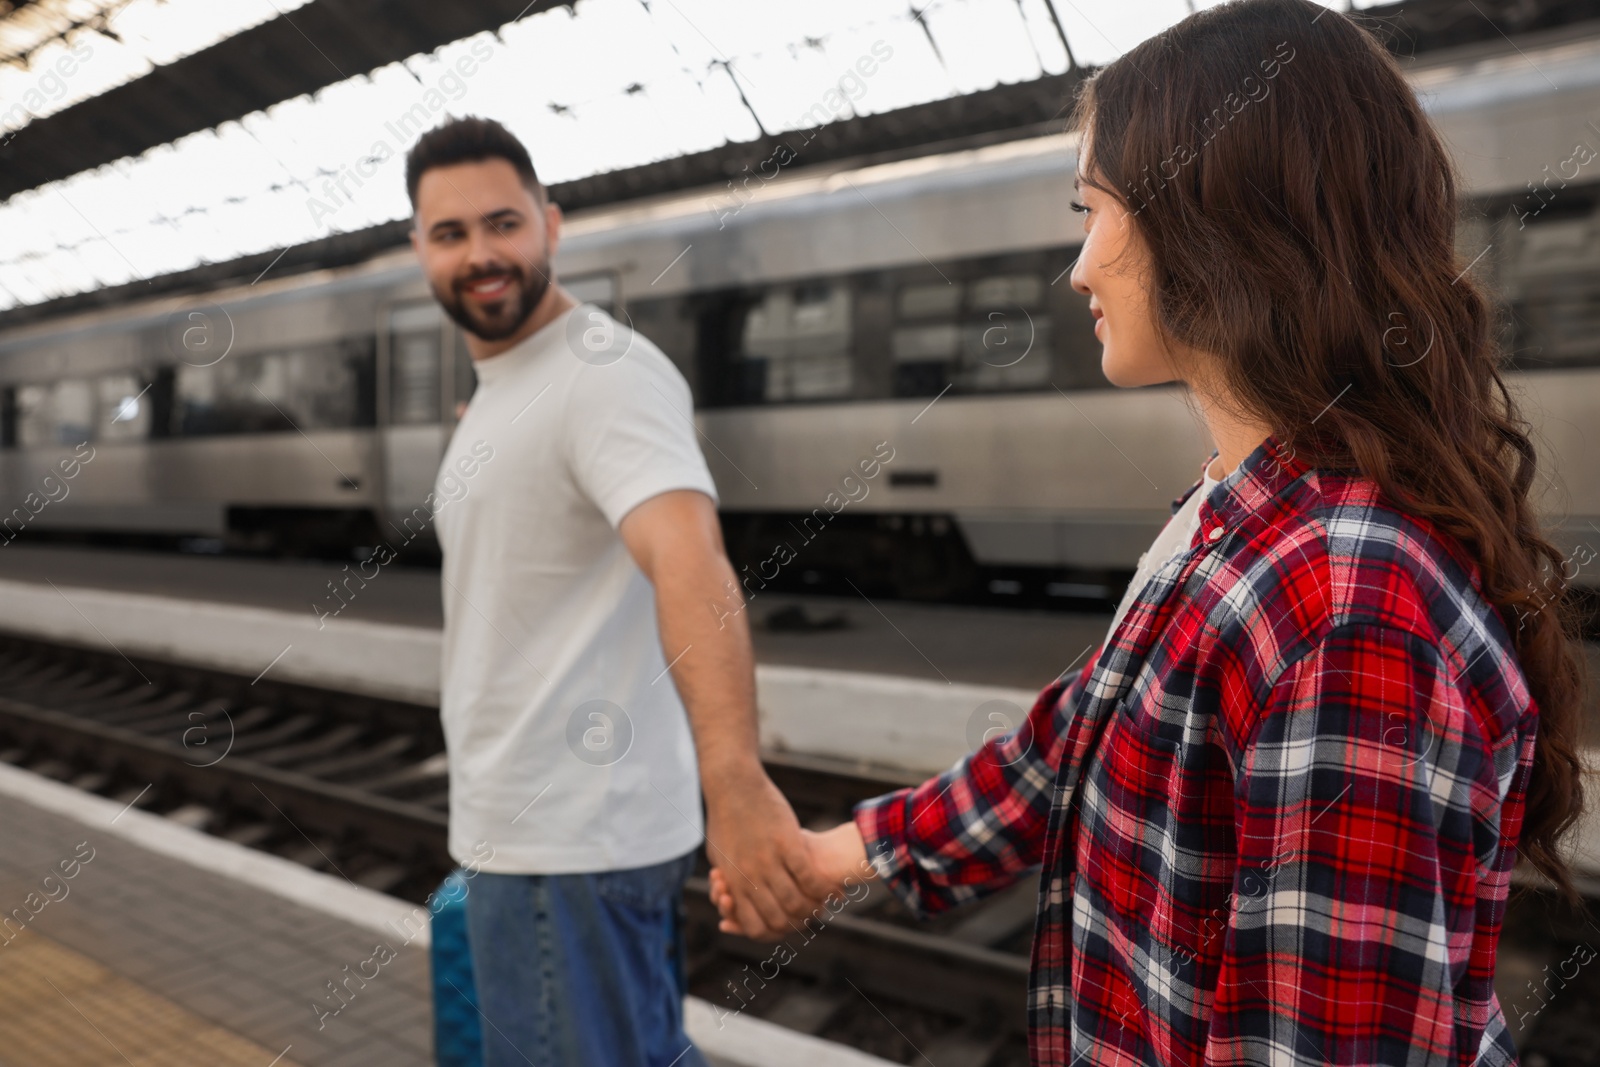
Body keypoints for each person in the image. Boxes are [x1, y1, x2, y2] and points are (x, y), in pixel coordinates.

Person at [712, 2, 1588, 1064]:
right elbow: (1070, 746)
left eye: (1095, 210)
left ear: (1212, 220)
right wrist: (832, 855)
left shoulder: (1342, 606)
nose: (1077, 269)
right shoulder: (1233, 515)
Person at [404, 116, 814, 1066]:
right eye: (450, 233)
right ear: (418, 248)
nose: (480, 254)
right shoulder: (505, 386)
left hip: (572, 844)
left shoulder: (604, 375)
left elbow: (691, 563)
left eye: (503, 224)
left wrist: (736, 783)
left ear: (552, 223)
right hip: (535, 835)